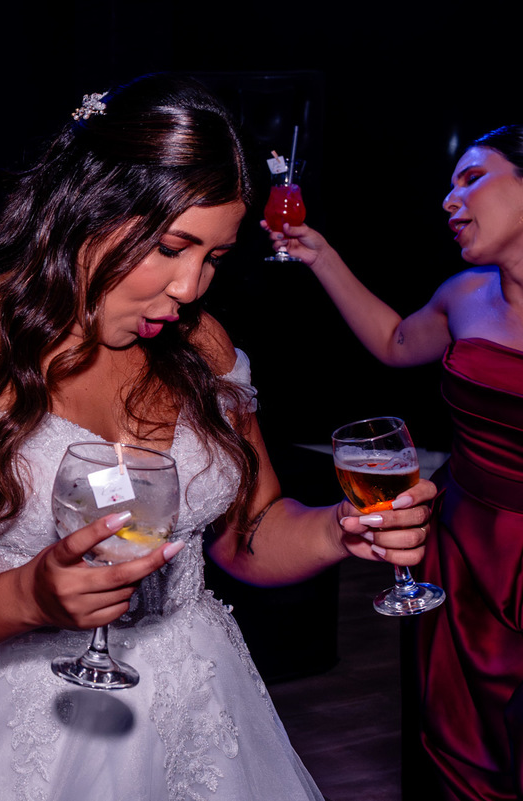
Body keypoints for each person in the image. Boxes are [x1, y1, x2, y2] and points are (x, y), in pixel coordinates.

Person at [0, 74, 437, 801]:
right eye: (171, 246)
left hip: (200, 704)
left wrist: (343, 532)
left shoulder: (203, 345)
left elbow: (249, 531)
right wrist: (28, 596)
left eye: (214, 257)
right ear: (87, 208)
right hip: (19, 729)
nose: (191, 287)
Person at [264, 125, 523, 801]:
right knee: (460, 743)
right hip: (463, 552)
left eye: (471, 179)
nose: (447, 198)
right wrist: (318, 255)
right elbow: (393, 340)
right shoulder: (464, 294)